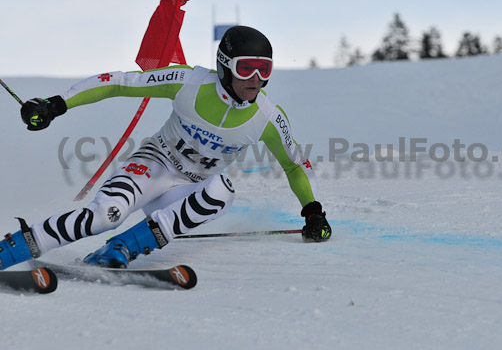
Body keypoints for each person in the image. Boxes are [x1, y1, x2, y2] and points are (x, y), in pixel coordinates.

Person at [0, 26, 331, 271]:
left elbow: (294, 164)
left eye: (265, 69)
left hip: (186, 192)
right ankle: (12, 249)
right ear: (225, 64)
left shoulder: (268, 118)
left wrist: (313, 210)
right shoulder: (189, 81)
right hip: (153, 166)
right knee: (105, 216)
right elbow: (121, 82)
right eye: (247, 68)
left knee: (222, 191)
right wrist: (57, 104)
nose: (256, 78)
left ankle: (121, 249)